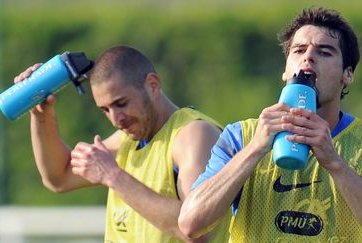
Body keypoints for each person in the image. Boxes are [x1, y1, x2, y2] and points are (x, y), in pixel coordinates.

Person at [178, 7, 362, 242]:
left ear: (347, 74)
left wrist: (335, 163)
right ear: (285, 71)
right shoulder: (240, 136)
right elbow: (190, 223)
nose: (308, 57)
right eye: (299, 50)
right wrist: (254, 149)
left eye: (325, 52)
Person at [14, 45, 230, 242]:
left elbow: (197, 230)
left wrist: (113, 176)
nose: (116, 119)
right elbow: (58, 178)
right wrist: (42, 115)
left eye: (121, 103)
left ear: (153, 85)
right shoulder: (127, 139)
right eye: (105, 110)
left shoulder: (193, 134)